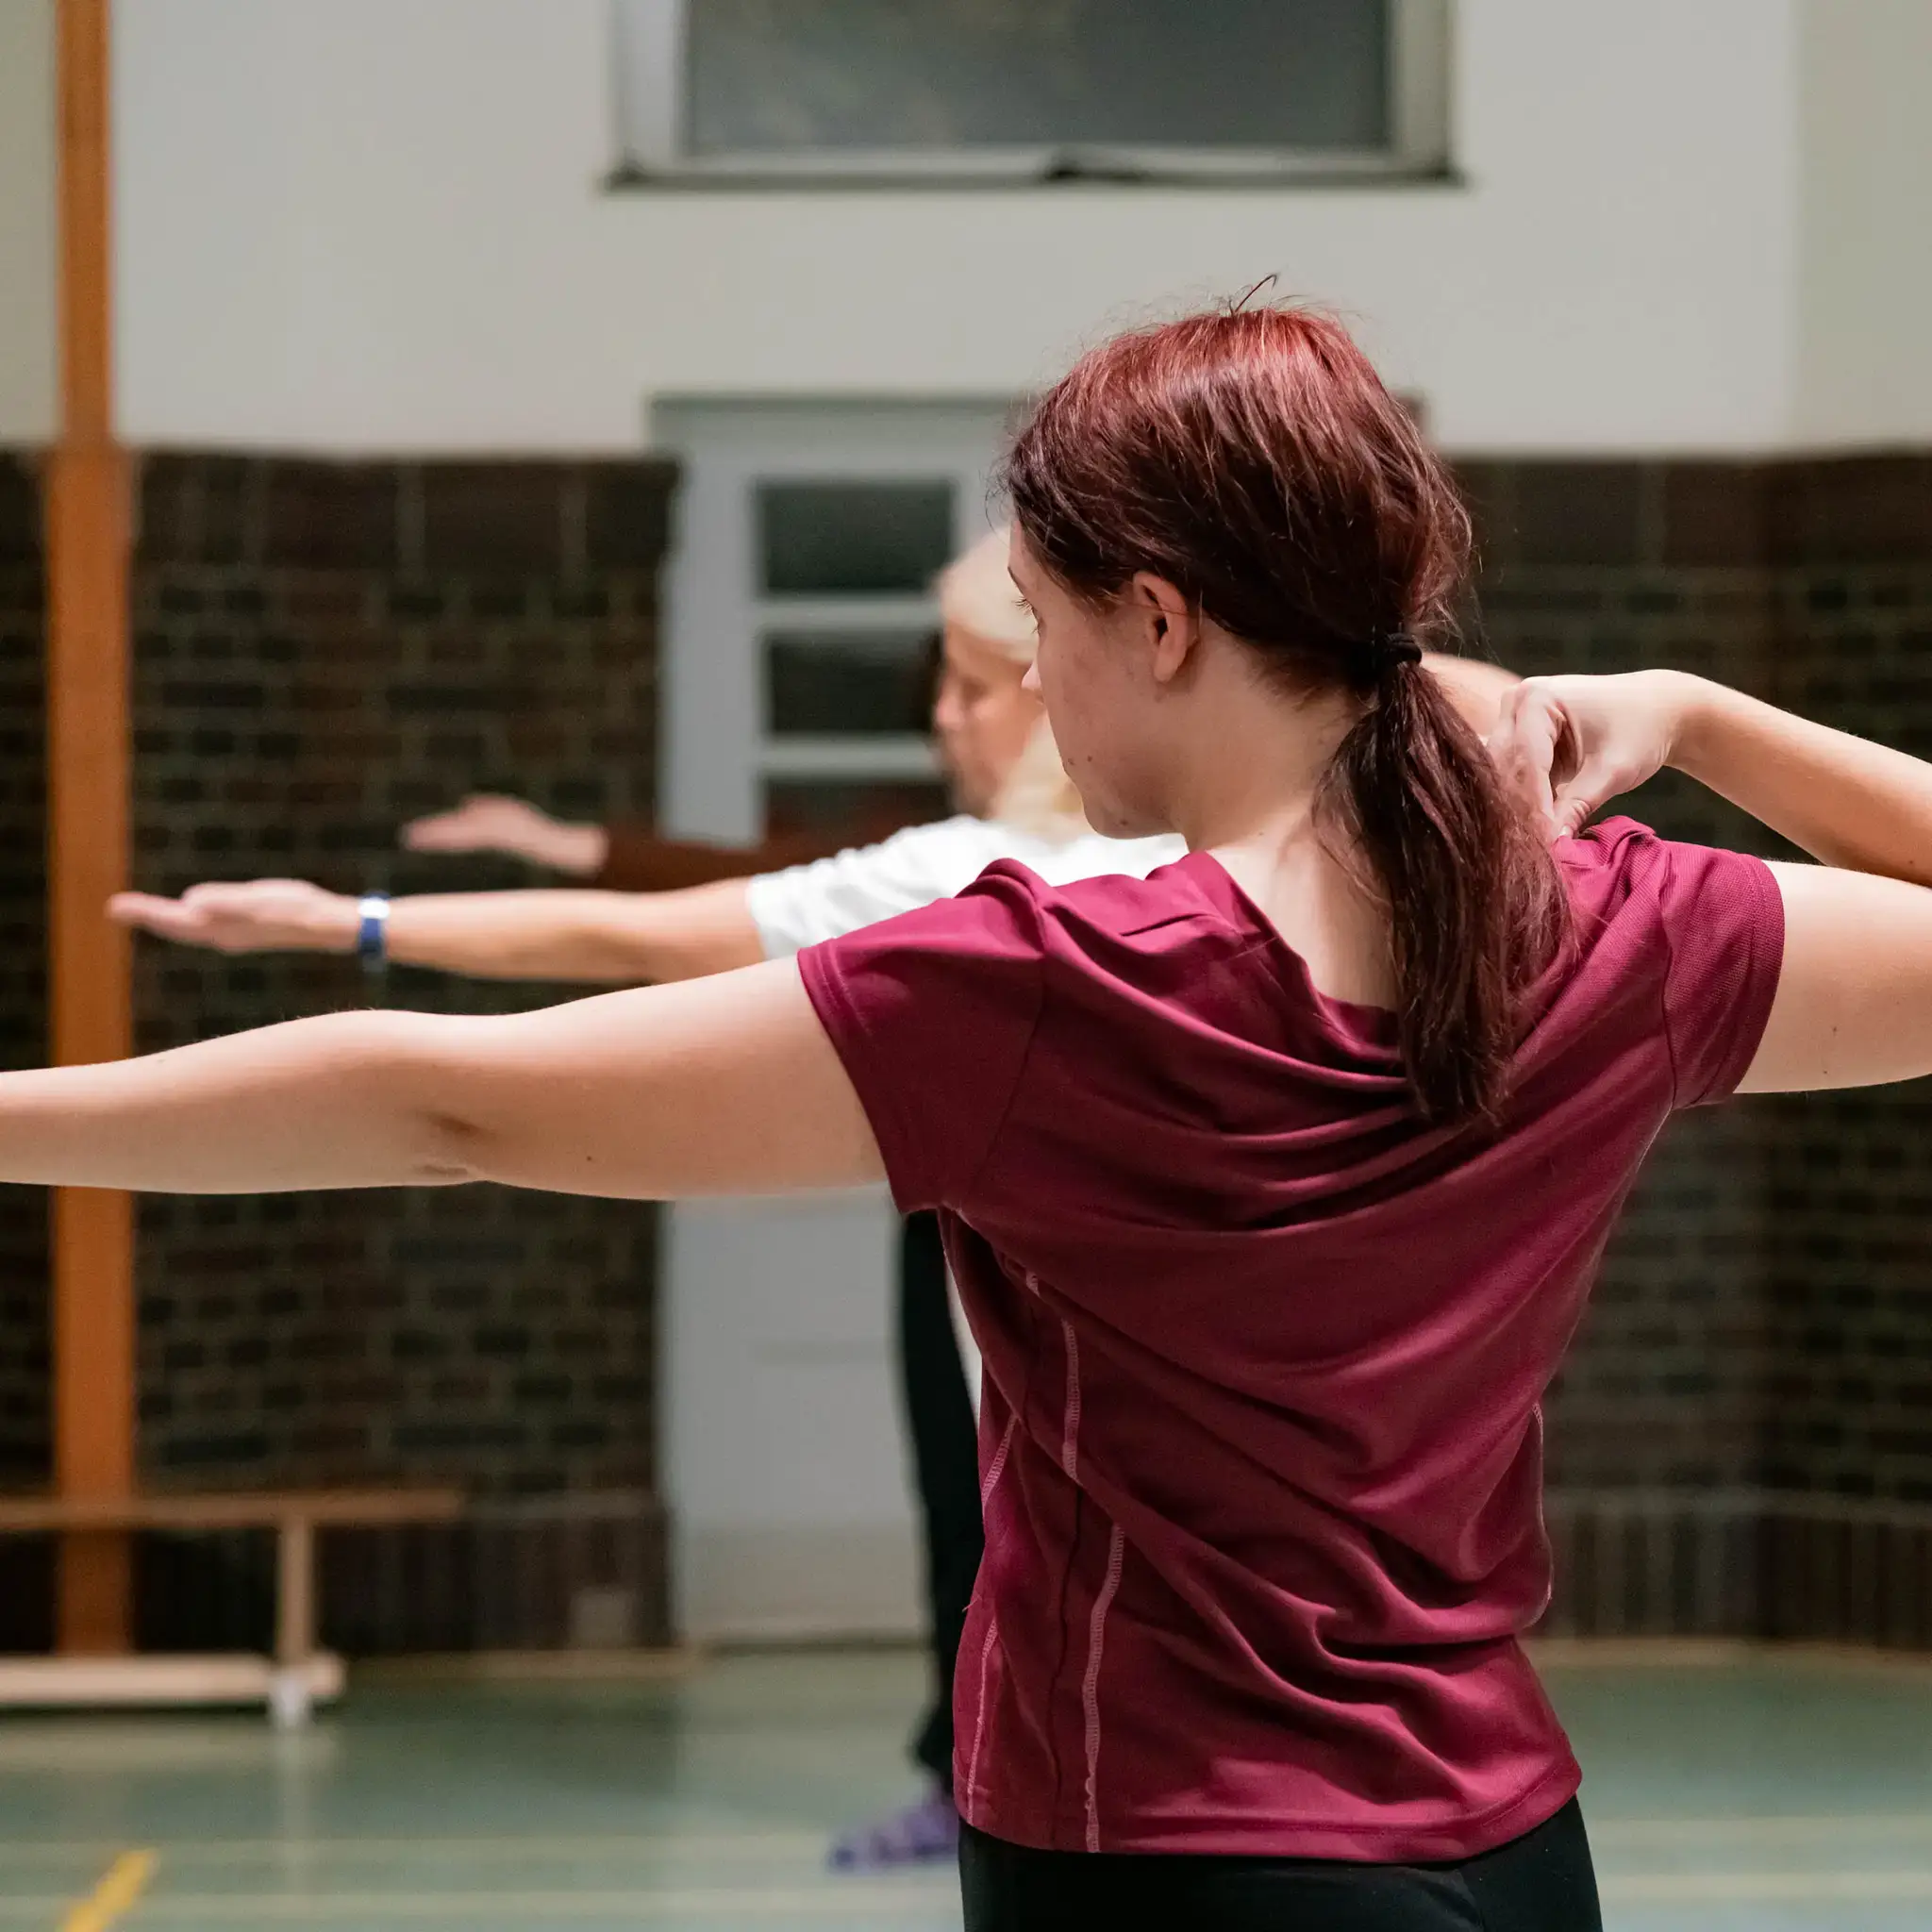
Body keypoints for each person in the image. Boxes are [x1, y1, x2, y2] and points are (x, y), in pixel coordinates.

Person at [22, 303, 1924, 1927]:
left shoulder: (1054, 989)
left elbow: (443, 1106)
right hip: (1504, 1839)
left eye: (1041, 621)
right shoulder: (1625, 930)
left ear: (1160, 624)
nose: (1029, 675)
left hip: (1160, 1844)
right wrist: (1708, 716)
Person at [108, 527, 1513, 1870]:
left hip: (1210, 1702)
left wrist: (356, 924)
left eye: (1005, 666)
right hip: (1357, 1749)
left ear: (1153, 642)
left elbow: (556, 1012)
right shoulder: (1053, 874)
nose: (982, 707)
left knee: (1072, 1547)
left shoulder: (1026, 890)